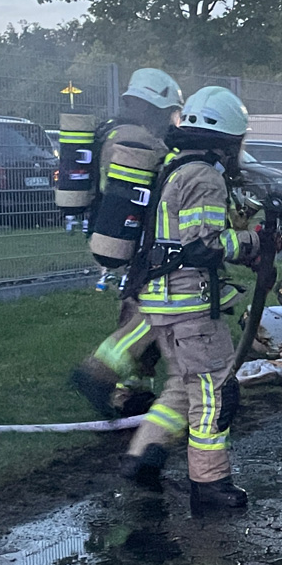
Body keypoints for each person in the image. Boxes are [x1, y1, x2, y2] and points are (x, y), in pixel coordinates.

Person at [101, 86, 279, 510]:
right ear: (228, 139)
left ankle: (144, 455)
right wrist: (256, 241)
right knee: (216, 392)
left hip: (162, 304)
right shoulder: (204, 177)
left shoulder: (175, 166)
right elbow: (203, 245)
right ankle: (210, 483)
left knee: (183, 386)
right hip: (190, 307)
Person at [71, 68, 184, 420]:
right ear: (155, 108)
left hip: (117, 235)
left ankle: (134, 392)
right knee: (150, 315)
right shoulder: (143, 142)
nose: (170, 121)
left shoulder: (111, 132)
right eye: (168, 113)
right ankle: (96, 372)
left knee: (136, 307)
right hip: (141, 241)